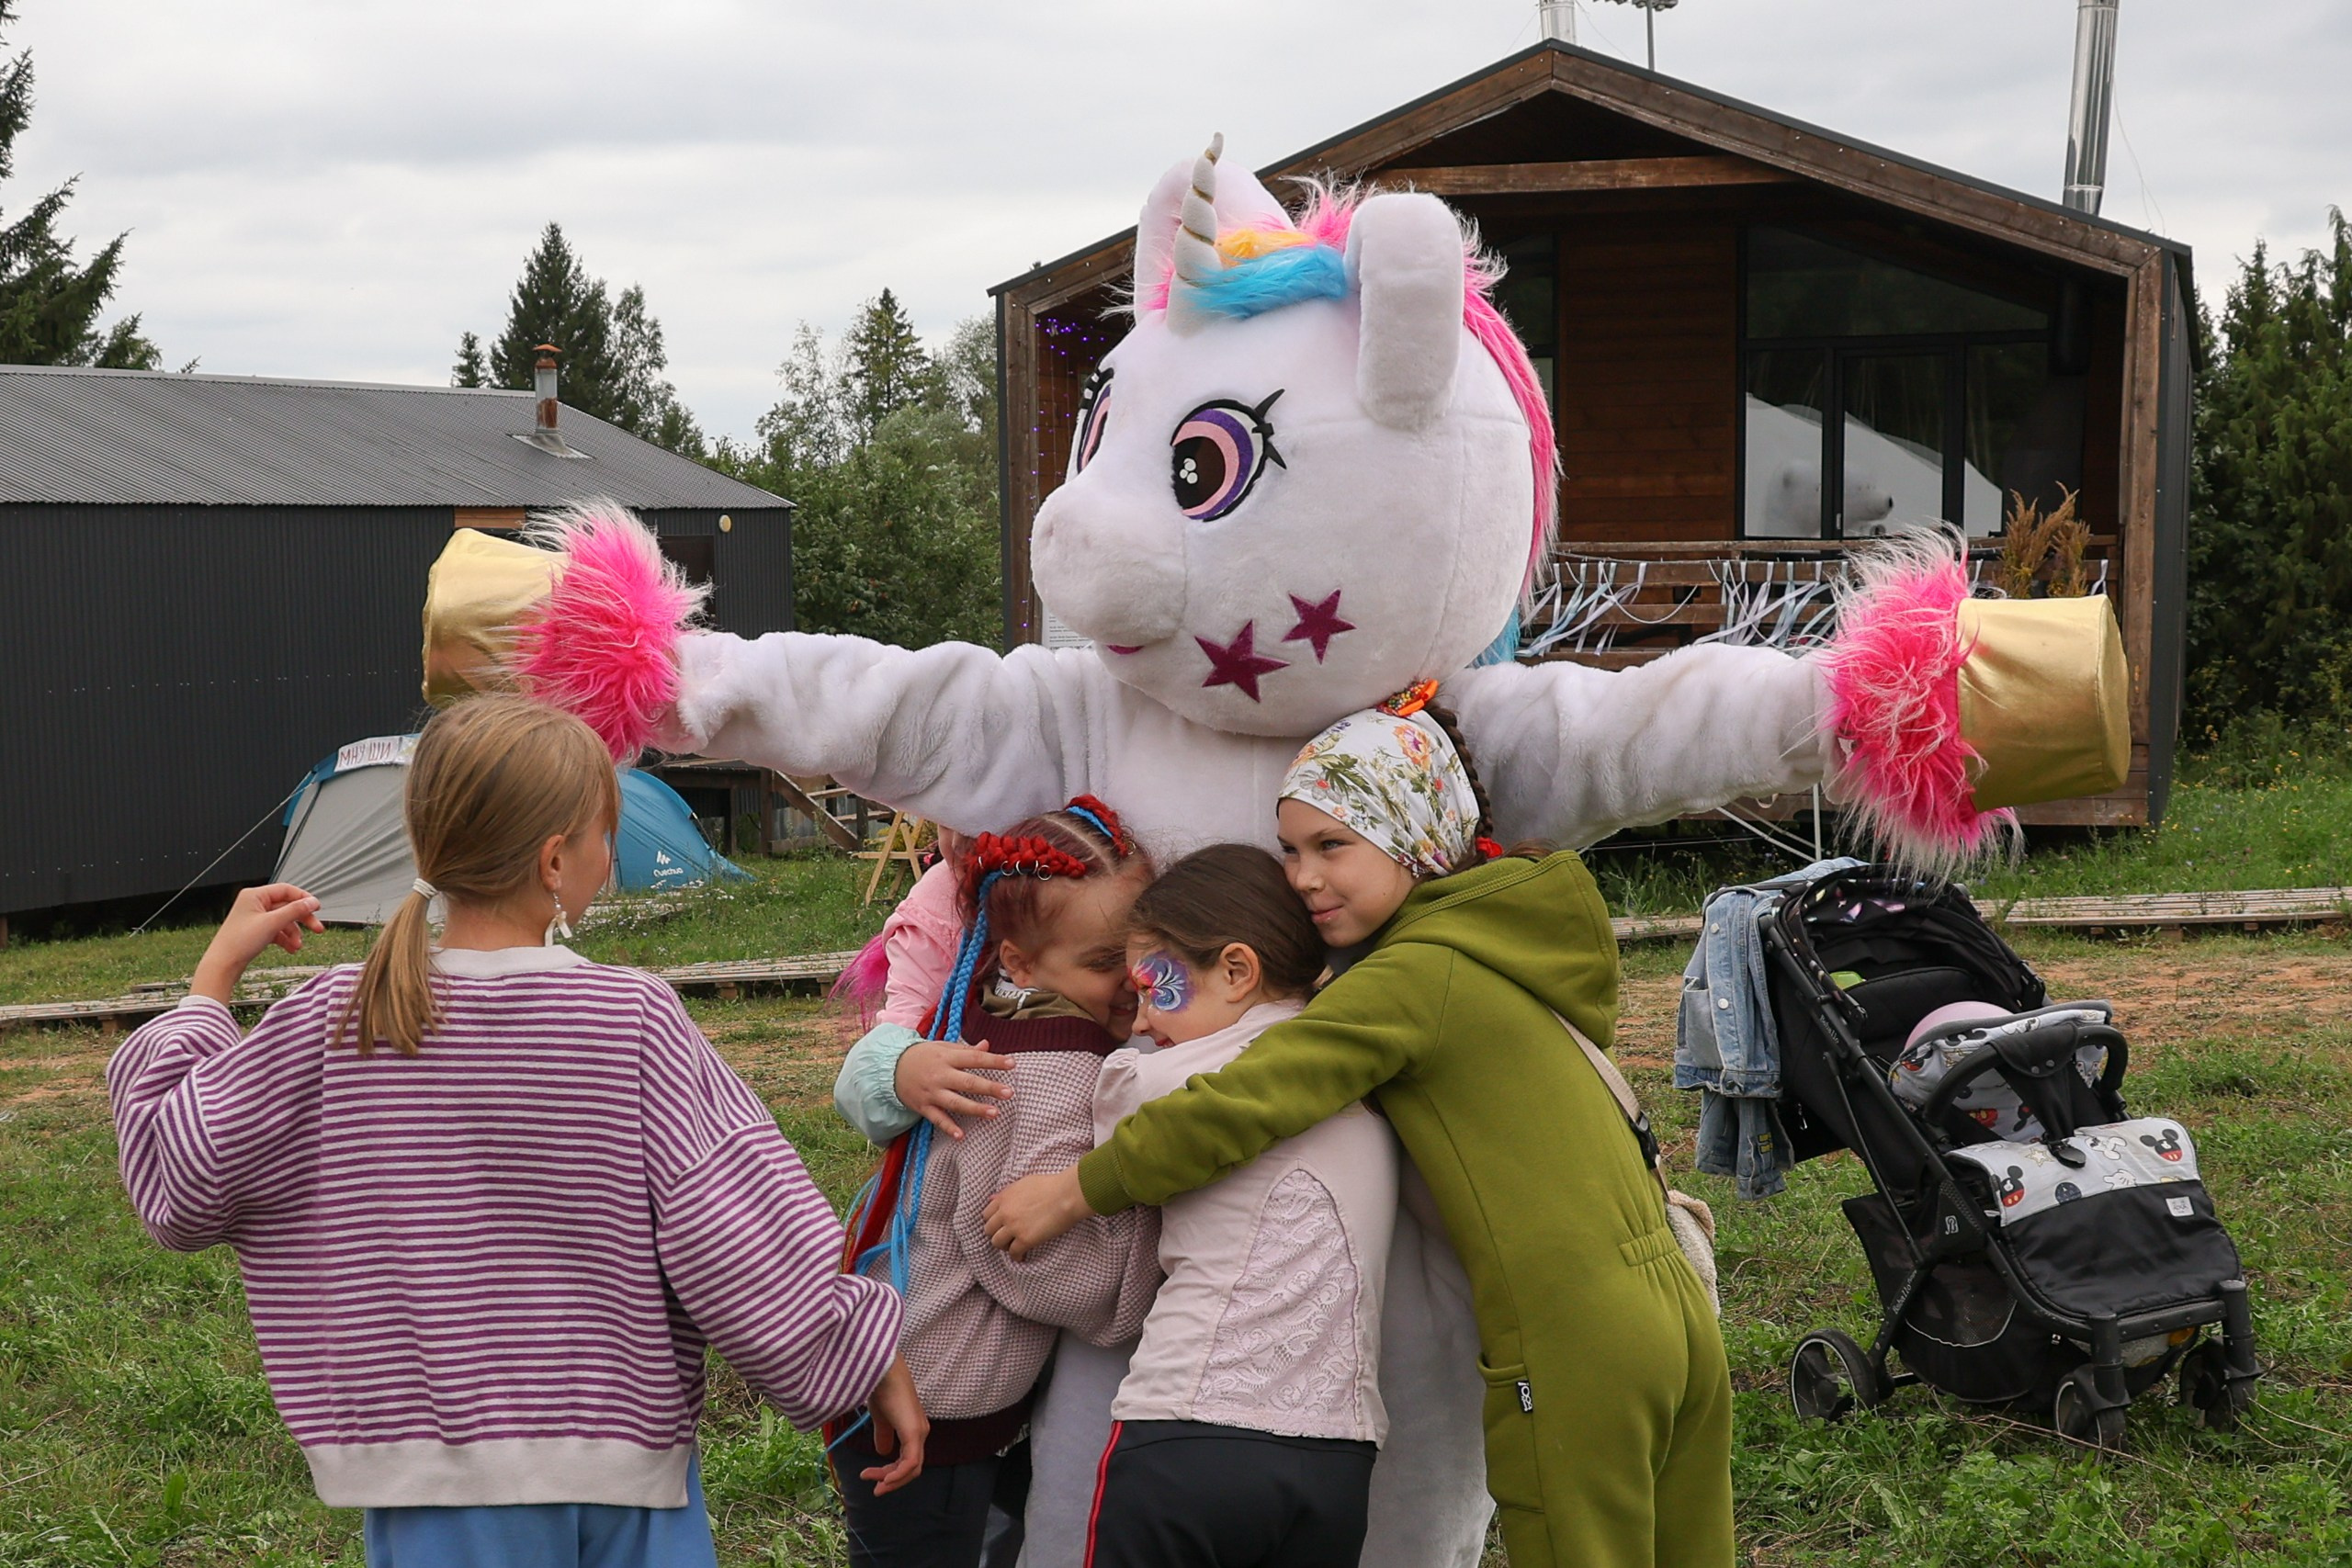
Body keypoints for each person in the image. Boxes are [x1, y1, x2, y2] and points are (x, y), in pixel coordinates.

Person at [107, 694, 922, 1568]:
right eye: (605, 837)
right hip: (625, 1486)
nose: (609, 859)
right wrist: (859, 1357)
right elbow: (740, 1235)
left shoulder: (334, 1019)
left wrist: (212, 979)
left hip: (433, 1504)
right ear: (556, 859)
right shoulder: (631, 1022)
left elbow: (177, 1177)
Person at [984, 685, 1735, 1568]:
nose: (1303, 877)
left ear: (1411, 837)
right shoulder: (1504, 952)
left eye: (1331, 845)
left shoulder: (1410, 978)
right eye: (1291, 850)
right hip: (1675, 1311)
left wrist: (1075, 1190)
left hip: (1571, 1331)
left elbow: (1248, 1100)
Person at [835, 800, 1162, 1568]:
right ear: (1017, 962)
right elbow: (1033, 1257)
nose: (1133, 981)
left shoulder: (993, 1017)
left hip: (903, 1371)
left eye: (1144, 952)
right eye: (1101, 962)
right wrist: (1148, 1259)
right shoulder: (1052, 1074)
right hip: (933, 1413)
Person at [1086, 842, 1398, 1568]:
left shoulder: (1177, 1079)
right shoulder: (1351, 1067)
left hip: (1187, 1431)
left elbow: (1115, 1103)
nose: (1138, 1021)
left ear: (1236, 970)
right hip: (1338, 1452)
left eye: (1150, 986)